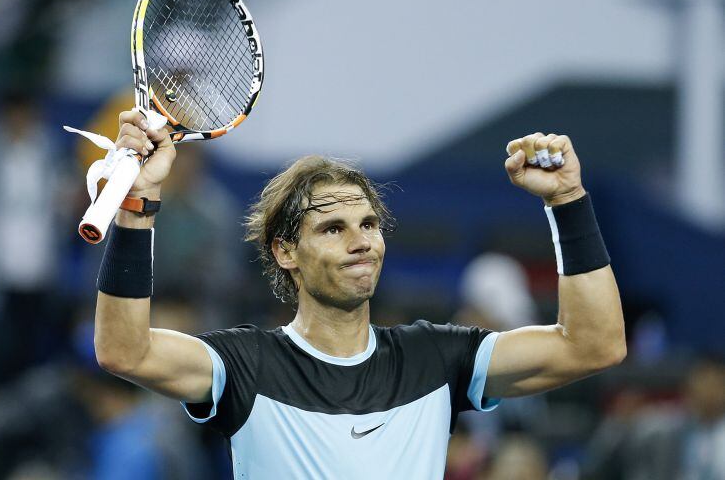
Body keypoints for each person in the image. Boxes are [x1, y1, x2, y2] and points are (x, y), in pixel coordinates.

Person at [93, 110, 626, 479]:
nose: (361, 242)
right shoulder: (245, 364)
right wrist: (138, 202)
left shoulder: (436, 359)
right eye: (333, 228)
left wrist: (568, 200)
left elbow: (593, 345)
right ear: (285, 251)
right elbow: (124, 349)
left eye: (369, 224)